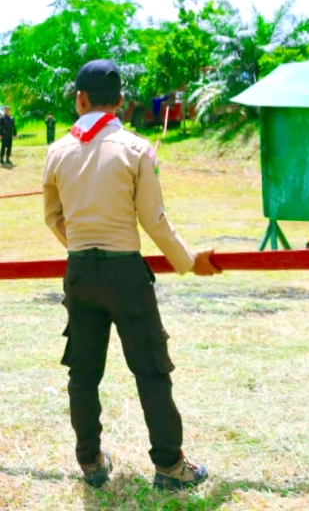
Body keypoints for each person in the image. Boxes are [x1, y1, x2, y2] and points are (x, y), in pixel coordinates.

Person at [43, 59, 222, 490]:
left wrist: (84, 249)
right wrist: (189, 261)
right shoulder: (136, 149)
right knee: (151, 371)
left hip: (80, 272)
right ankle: (170, 466)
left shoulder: (57, 151)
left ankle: (90, 462)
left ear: (79, 99)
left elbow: (52, 217)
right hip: (127, 273)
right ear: (120, 102)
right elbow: (154, 221)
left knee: (83, 374)